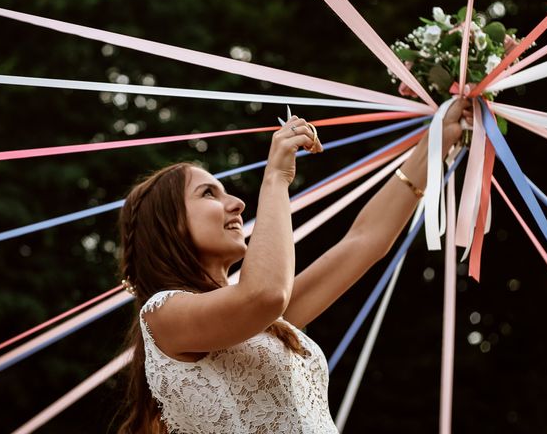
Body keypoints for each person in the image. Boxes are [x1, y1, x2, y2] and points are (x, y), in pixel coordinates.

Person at [116, 99, 473, 433]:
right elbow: (266, 293)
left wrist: (437, 142)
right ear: (168, 224)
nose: (237, 204)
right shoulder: (163, 316)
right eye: (208, 194)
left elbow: (364, 241)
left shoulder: (265, 322)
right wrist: (276, 177)